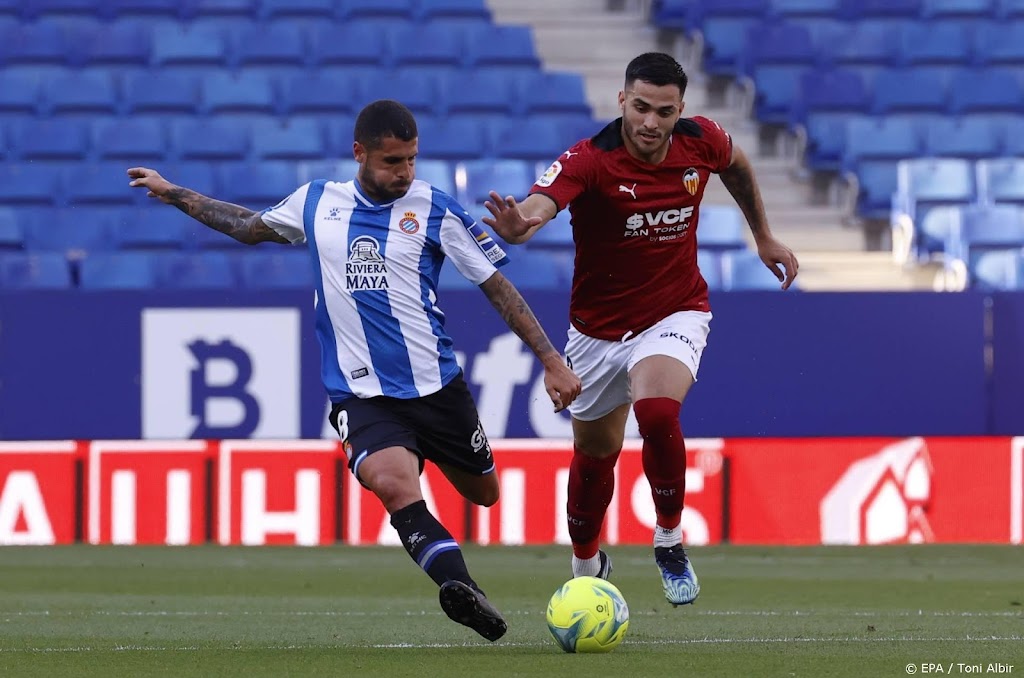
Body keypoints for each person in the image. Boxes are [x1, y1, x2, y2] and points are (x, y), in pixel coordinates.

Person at [127, 99, 582, 641]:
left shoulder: (435, 209)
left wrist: (551, 361)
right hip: (360, 394)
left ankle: (438, 477)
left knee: (484, 494)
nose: (404, 172)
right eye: (393, 161)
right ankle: (464, 590)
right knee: (394, 486)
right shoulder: (317, 202)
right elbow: (248, 227)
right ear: (360, 153)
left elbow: (496, 287)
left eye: (412, 160)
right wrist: (172, 191)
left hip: (436, 388)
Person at [483, 53, 798, 606]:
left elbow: (739, 167)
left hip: (674, 310)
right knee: (593, 459)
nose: (651, 122)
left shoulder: (703, 140)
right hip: (598, 332)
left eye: (665, 111)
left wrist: (763, 236)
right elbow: (542, 202)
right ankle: (586, 563)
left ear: (682, 110)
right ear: (623, 100)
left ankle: (670, 538)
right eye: (642, 107)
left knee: (657, 411)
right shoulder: (590, 158)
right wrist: (523, 225)